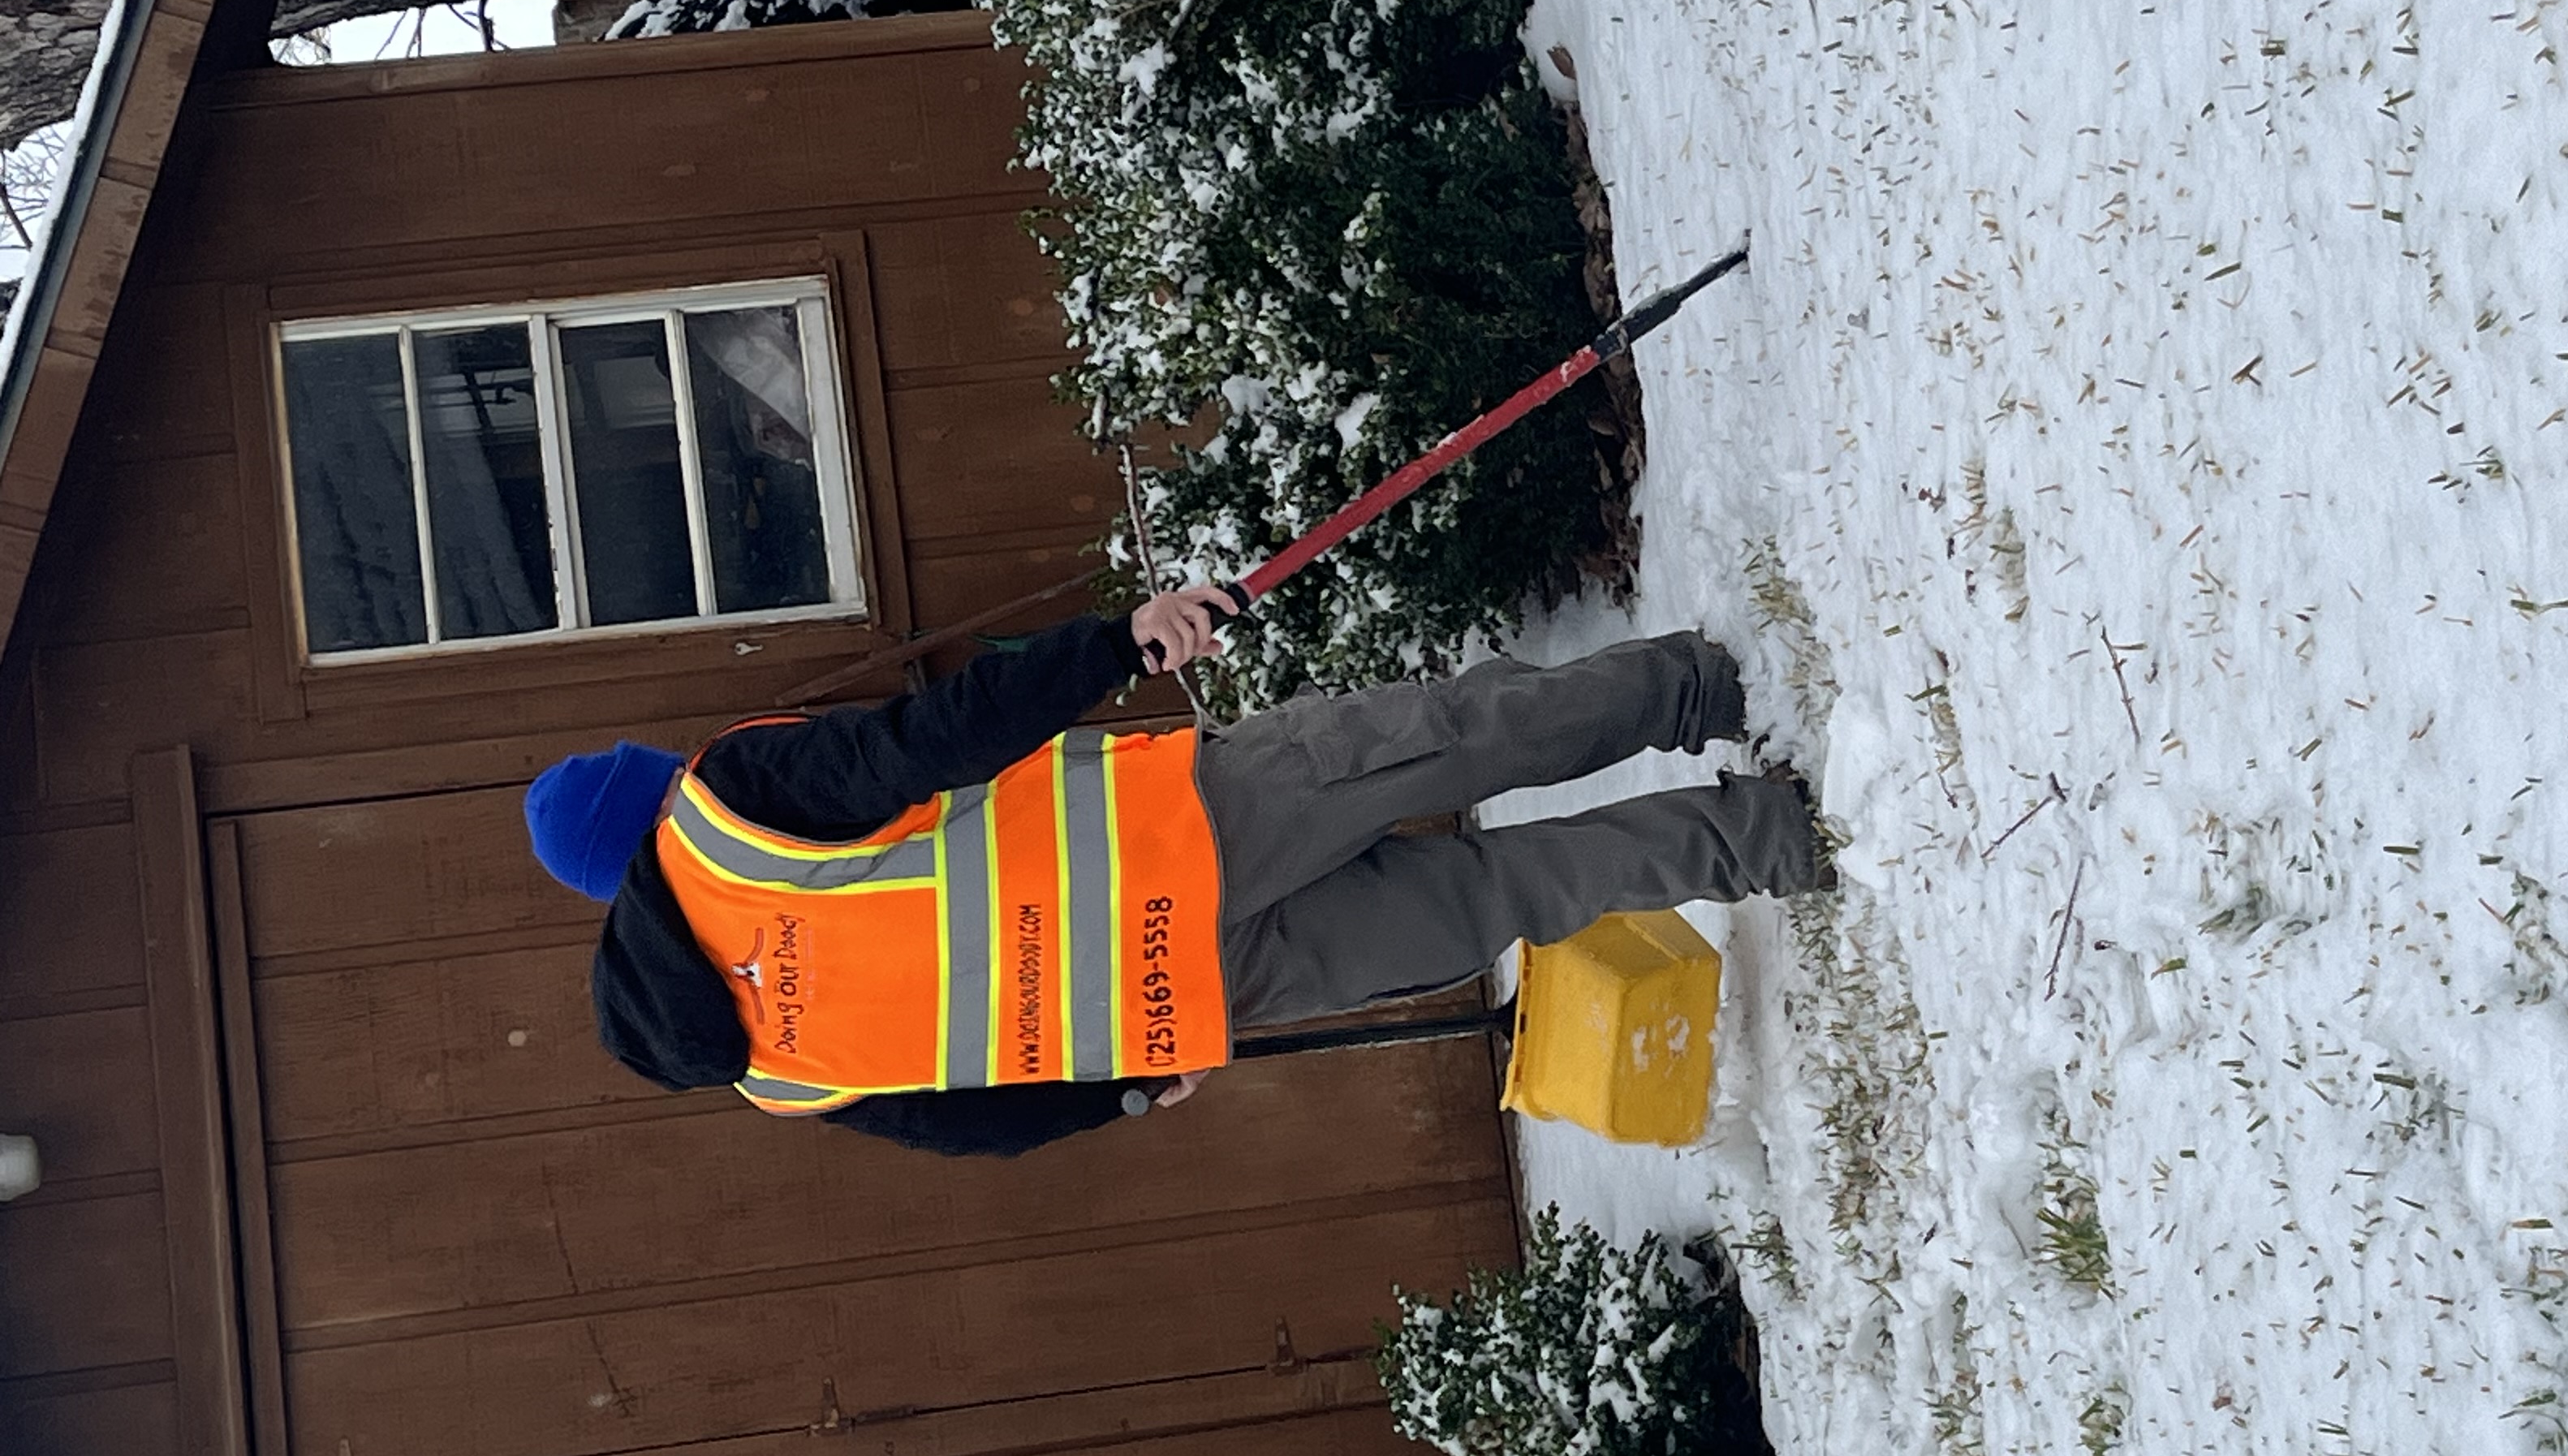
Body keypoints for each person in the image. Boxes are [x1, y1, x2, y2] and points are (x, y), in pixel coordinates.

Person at [525, 587, 1824, 1156]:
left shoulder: (771, 1075)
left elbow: (960, 1125)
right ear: (652, 797)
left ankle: (1769, 837)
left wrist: (1135, 1095)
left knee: (1504, 900)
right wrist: (1112, 646)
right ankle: (1696, 688)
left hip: (1182, 995)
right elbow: (929, 739)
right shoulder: (725, 819)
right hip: (1190, 825)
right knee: (1446, 744)